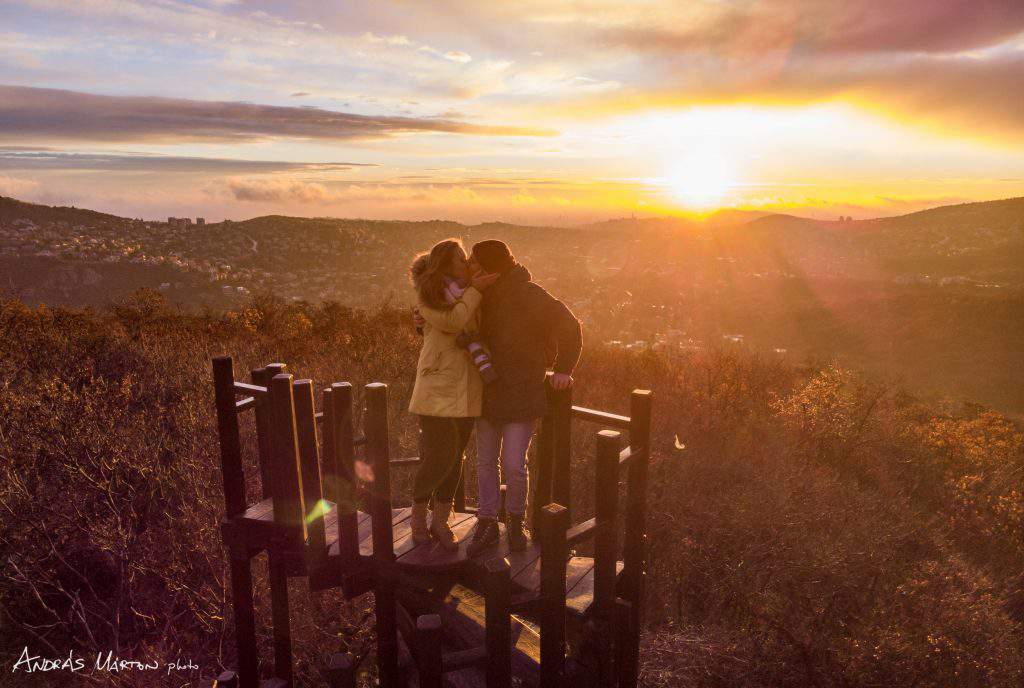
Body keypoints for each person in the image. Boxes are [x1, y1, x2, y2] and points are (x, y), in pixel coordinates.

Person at [465, 240, 582, 554]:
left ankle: (516, 523)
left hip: (521, 392)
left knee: (514, 464)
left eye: (475, 263)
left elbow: (569, 326)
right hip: (489, 392)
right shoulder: (477, 295)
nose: (470, 268)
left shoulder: (530, 295)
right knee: (487, 463)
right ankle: (488, 522)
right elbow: (448, 321)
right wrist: (420, 322)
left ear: (491, 267)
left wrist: (563, 369)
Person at [408, 239, 497, 550]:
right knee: (440, 455)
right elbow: (453, 321)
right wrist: (476, 291)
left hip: (469, 388)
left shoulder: (469, 293)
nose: (466, 263)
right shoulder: (429, 294)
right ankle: (418, 516)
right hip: (437, 389)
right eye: (460, 259)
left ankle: (440, 521)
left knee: (455, 458)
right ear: (445, 264)